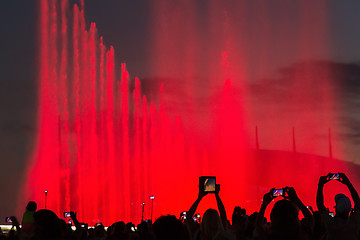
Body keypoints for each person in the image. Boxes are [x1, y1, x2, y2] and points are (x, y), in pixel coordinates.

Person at [316, 172, 360, 240]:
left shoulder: (331, 224)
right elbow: (358, 204)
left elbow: (320, 205)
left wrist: (321, 184)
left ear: (336, 209)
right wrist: (348, 183)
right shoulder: (355, 223)